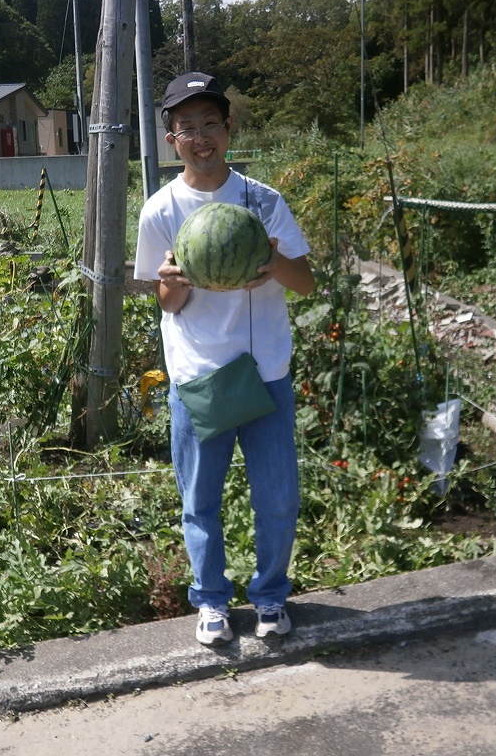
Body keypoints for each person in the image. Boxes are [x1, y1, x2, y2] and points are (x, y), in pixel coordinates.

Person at [134, 72, 315, 646]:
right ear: (171, 137)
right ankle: (211, 601)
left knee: (278, 499)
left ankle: (269, 597)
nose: (200, 136)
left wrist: (270, 260)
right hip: (200, 377)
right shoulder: (160, 209)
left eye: (210, 123)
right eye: (187, 127)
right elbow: (164, 302)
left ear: (228, 128)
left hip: (265, 375)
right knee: (199, 501)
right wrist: (174, 281)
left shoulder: (263, 201)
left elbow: (305, 282)